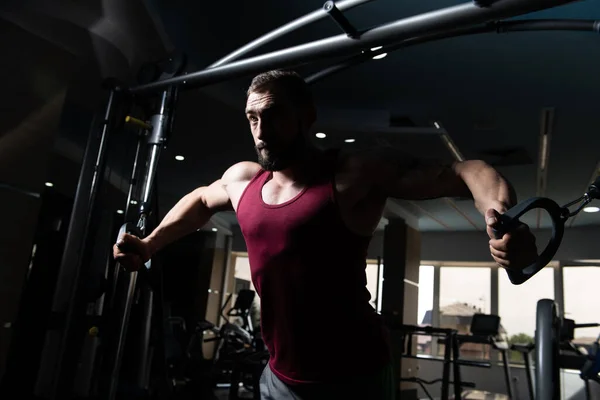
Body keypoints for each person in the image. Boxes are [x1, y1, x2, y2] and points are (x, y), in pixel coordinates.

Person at [113, 70, 537, 399]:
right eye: (252, 118)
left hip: (353, 376)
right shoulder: (245, 181)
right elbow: (201, 201)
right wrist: (149, 244)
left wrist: (504, 219)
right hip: (279, 375)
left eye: (274, 114)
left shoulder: (353, 173)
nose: (261, 130)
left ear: (306, 116)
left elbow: (466, 172)